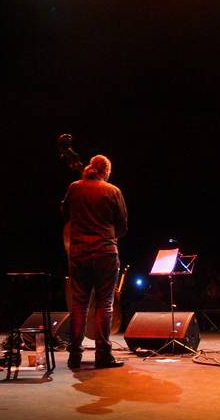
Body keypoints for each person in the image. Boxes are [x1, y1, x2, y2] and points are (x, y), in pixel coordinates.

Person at [61, 154, 128, 369]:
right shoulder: (113, 191)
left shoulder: (74, 187)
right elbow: (123, 226)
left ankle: (75, 356)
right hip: (105, 253)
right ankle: (103, 355)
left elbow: (65, 213)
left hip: (79, 253)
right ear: (106, 171)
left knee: (79, 305)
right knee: (104, 304)